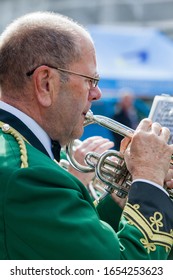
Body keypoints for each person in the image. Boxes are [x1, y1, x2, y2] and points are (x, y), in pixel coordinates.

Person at [0, 11, 173, 260]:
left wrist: (121, 197)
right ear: (45, 83)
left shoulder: (20, 154)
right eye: (90, 80)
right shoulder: (27, 174)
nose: (97, 94)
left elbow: (71, 250)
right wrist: (148, 181)